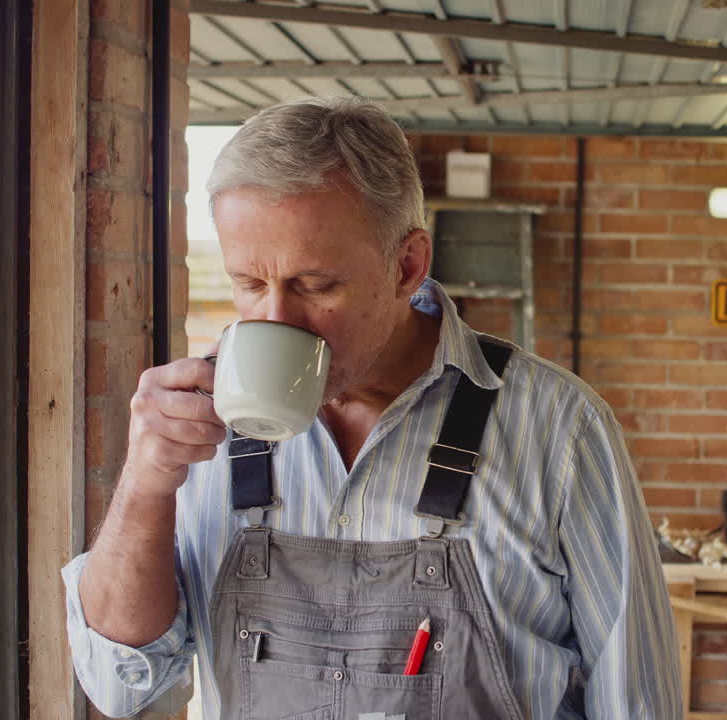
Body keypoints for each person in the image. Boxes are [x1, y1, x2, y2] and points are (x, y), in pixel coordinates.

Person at [62, 96, 682, 720]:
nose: (276, 319)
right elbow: (121, 686)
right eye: (249, 284)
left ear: (407, 265)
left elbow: (639, 701)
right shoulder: (195, 421)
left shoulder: (561, 430)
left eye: (314, 285)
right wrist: (145, 482)